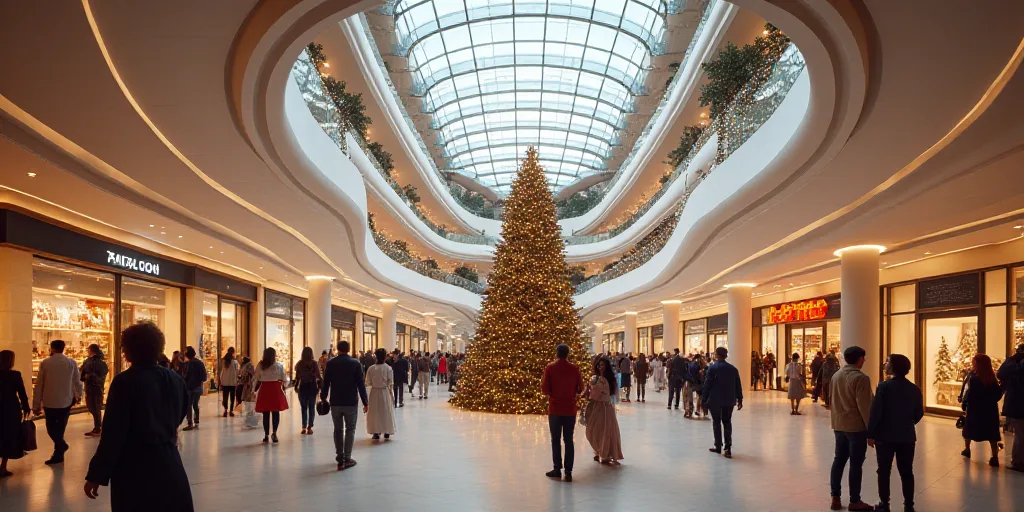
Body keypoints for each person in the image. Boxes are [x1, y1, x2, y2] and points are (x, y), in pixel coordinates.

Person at [83, 322, 193, 511]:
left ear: (129, 349)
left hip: (134, 469)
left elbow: (113, 433)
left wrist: (97, 474)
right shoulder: (174, 379)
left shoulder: (124, 382)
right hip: (169, 464)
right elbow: (181, 413)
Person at [867, 354, 923, 512]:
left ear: (894, 367)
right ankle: (909, 505)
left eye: (888, 362)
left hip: (885, 436)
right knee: (906, 471)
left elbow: (876, 411)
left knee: (884, 470)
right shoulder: (914, 389)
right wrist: (906, 423)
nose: (885, 364)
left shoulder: (884, 387)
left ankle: (884, 504)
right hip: (906, 435)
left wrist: (870, 433)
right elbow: (919, 413)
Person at [828, 346, 874, 511]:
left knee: (838, 460)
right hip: (855, 427)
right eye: (864, 357)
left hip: (839, 425)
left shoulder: (836, 375)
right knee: (856, 463)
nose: (865, 360)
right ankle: (855, 501)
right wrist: (871, 431)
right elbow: (865, 407)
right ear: (860, 359)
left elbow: (831, 399)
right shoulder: (861, 378)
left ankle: (835, 497)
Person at [32, 339, 82, 465]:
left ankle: (59, 450)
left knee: (51, 427)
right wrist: (79, 395)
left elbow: (39, 385)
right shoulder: (71, 362)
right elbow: (77, 381)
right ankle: (60, 448)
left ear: (52, 348)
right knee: (61, 427)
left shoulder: (46, 363)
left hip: (50, 400)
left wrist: (36, 404)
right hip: (67, 399)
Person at [321, 341, 368, 470]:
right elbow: (360, 384)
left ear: (338, 349)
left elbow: (326, 383)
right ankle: (347, 458)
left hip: (335, 401)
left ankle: (339, 456)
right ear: (349, 349)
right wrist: (365, 402)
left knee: (338, 429)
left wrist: (323, 397)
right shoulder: (355, 363)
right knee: (350, 429)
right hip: (351, 401)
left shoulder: (331, 363)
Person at [541, 344, 583, 482]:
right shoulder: (574, 368)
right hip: (570, 409)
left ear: (557, 353)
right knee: (569, 440)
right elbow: (580, 388)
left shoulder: (550, 368)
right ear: (567, 354)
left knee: (555, 439)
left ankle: (557, 469)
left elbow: (545, 389)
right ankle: (569, 471)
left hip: (555, 408)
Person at [960, 354, 1004, 467]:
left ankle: (967, 449)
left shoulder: (974, 378)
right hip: (990, 410)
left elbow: (970, 394)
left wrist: (965, 404)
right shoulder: (992, 378)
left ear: (977, 363)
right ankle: (994, 457)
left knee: (969, 429)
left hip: (975, 409)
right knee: (992, 433)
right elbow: (998, 394)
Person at [701, 347, 743, 458]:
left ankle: (718, 445)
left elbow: (707, 385)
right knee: (727, 422)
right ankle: (728, 448)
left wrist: (703, 399)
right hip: (729, 400)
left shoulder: (712, 368)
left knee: (716, 422)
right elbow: (738, 385)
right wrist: (740, 399)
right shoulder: (733, 369)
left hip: (715, 399)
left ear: (716, 355)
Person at [585, 357, 623, 466]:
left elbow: (604, 393)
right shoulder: (596, 378)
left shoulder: (606, 379)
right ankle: (598, 450)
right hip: (596, 407)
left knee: (606, 431)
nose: (600, 367)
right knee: (594, 430)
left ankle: (605, 453)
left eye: (602, 365)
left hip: (605, 408)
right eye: (599, 365)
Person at [0, 350, 31, 478]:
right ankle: (3, 467)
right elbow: (22, 393)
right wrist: (26, 408)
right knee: (8, 436)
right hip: (11, 409)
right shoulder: (15, 375)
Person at [997, 344, 1024, 471]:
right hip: (1017, 405)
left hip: (1017, 405)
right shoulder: (1015, 366)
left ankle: (1018, 462)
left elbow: (1001, 373)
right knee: (1020, 433)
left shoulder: (1015, 366)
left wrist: (1012, 359)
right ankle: (1018, 461)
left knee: (1020, 434)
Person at [254, 347, 288, 443]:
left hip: (264, 390)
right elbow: (284, 378)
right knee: (275, 412)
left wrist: (253, 390)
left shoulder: (261, 365)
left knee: (266, 413)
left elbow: (256, 377)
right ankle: (275, 433)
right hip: (275, 390)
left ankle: (266, 435)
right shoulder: (279, 365)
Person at [365, 348, 396, 441]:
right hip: (384, 391)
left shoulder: (371, 368)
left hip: (374, 392)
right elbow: (390, 382)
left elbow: (368, 382)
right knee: (386, 411)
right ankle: (387, 431)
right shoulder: (388, 368)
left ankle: (376, 431)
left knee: (375, 412)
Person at [80, 343, 108, 437]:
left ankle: (98, 427)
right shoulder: (92, 361)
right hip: (93, 388)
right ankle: (98, 427)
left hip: (95, 388)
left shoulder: (96, 362)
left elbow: (100, 377)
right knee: (94, 407)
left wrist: (89, 376)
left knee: (95, 408)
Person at [294, 346, 322, 435]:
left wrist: (296, 386)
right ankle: (310, 427)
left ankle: (303, 427)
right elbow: (318, 376)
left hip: (303, 387)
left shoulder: (299, 364)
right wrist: (321, 386)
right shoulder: (314, 363)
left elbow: (297, 377)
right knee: (311, 407)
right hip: (312, 387)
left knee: (303, 408)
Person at [180, 346, 207, 431]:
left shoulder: (187, 364)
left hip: (189, 387)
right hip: (197, 387)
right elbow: (204, 376)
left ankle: (190, 423)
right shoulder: (199, 363)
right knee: (195, 404)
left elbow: (184, 376)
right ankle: (196, 421)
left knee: (189, 405)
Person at [218, 347, 239, 418]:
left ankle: (225, 410)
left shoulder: (223, 361)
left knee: (225, 397)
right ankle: (231, 411)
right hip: (233, 382)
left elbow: (221, 372)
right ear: (233, 352)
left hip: (225, 382)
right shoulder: (235, 362)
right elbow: (237, 372)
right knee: (232, 397)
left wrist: (220, 380)